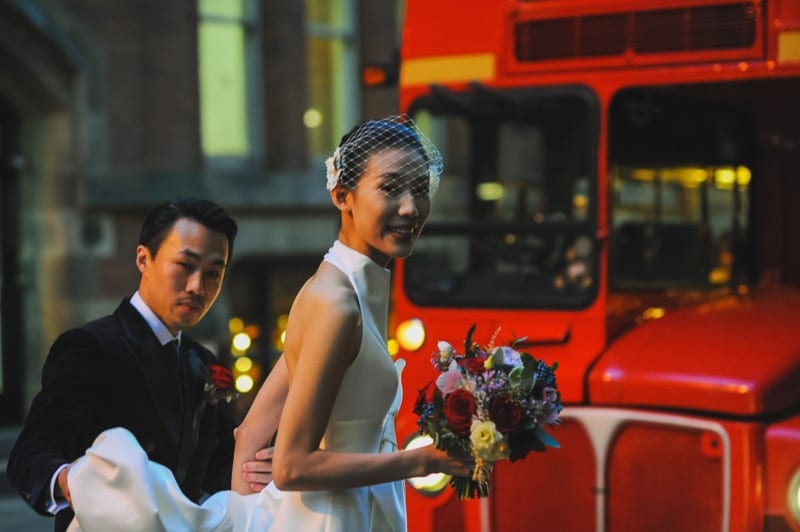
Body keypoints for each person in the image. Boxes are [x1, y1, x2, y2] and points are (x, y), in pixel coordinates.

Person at [57, 116, 471, 532]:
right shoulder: (337, 303)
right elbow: (292, 466)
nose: (410, 207)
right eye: (390, 187)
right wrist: (420, 461)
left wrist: (249, 512)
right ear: (341, 195)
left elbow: (252, 433)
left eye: (420, 190)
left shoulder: (341, 289)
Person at [6, 198, 271, 532]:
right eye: (185, 265)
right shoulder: (91, 346)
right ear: (143, 259)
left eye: (213, 274)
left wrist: (263, 468)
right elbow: (31, 451)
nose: (197, 287)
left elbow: (220, 461)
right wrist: (69, 481)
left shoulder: (202, 360)